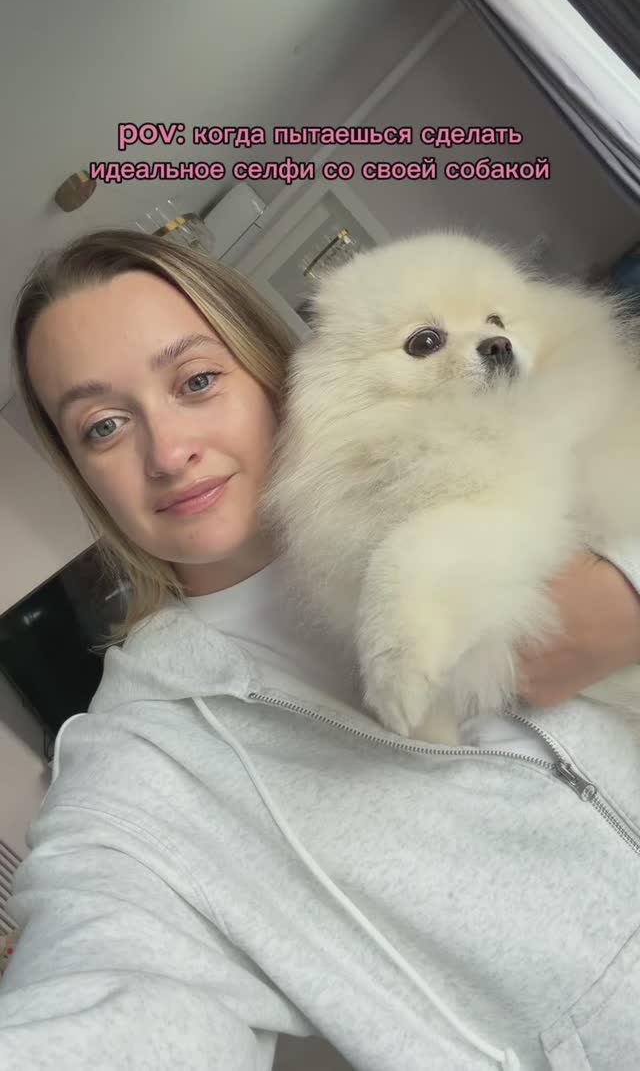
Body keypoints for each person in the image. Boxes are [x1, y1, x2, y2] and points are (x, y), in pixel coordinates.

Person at [1, 229, 640, 1071]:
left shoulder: (495, 431)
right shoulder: (144, 760)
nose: (169, 452)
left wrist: (630, 587)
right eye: (105, 427)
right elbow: (112, 974)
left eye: (196, 381)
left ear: (270, 370)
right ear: (83, 474)